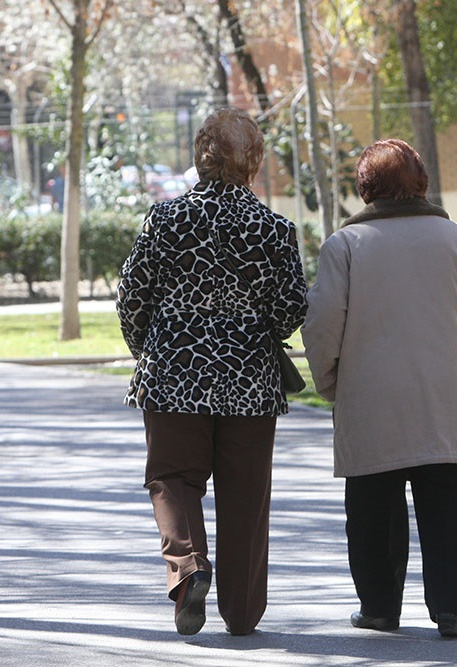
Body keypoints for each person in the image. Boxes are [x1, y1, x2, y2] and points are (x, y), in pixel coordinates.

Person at [302, 139, 457, 638]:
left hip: (372, 399)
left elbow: (322, 323)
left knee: (373, 511)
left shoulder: (345, 247)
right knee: (451, 509)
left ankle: (379, 606)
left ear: (366, 188)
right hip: (448, 399)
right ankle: (452, 608)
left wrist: (332, 383)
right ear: (421, 183)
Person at [116, 107, 307, 636]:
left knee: (172, 479)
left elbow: (133, 297)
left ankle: (189, 568)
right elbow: (292, 307)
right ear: (254, 162)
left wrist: (146, 349)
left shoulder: (165, 219)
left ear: (200, 156)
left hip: (173, 371)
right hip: (249, 380)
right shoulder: (274, 228)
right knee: (246, 494)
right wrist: (251, 323)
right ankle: (243, 614)